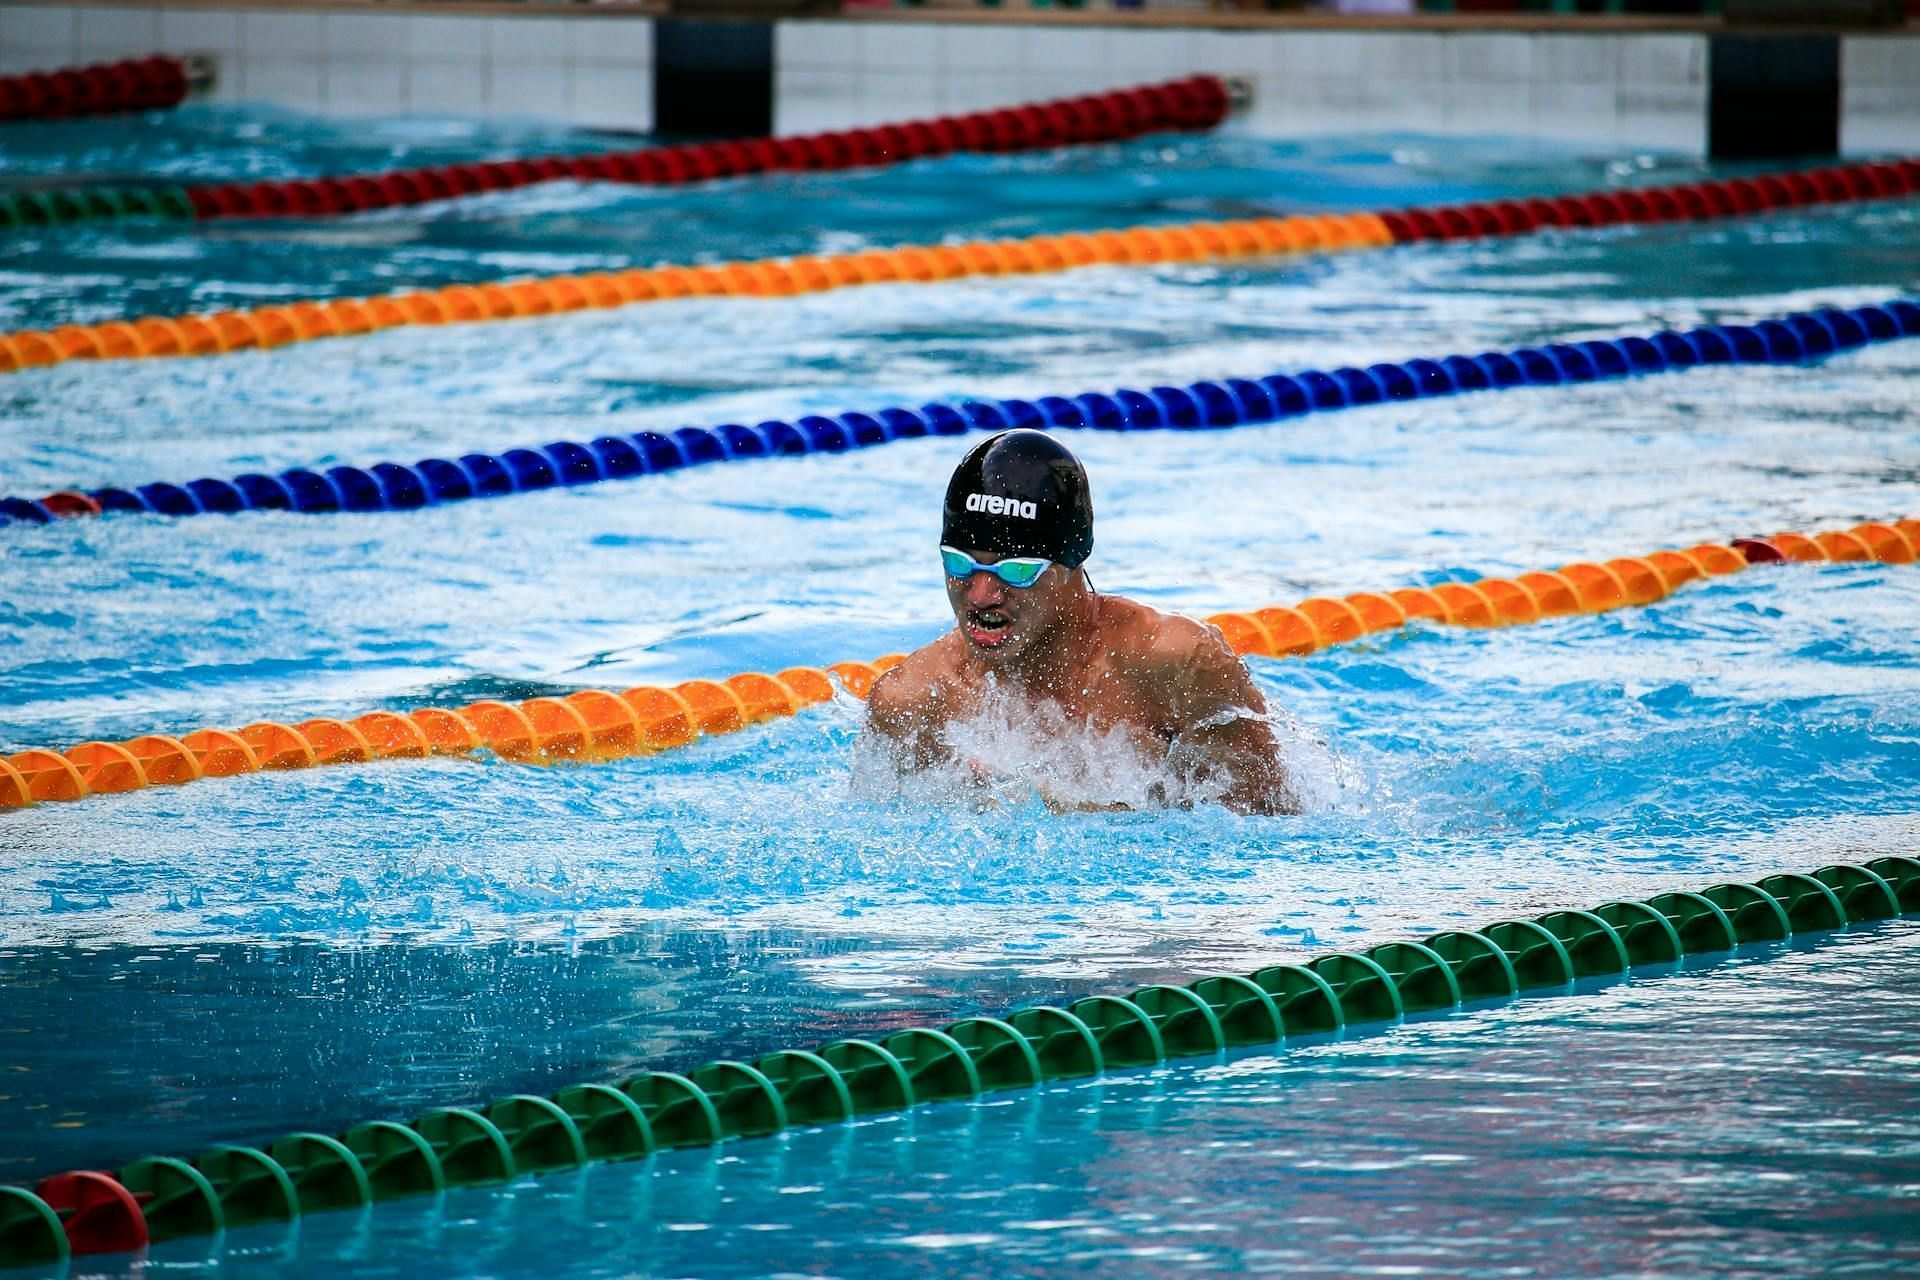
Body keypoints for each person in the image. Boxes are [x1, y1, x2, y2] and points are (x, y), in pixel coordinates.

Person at [863, 429, 1298, 815]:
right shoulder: (913, 702)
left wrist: (1111, 818)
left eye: (1016, 570)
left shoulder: (1173, 662)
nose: (981, 596)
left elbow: (1269, 822)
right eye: (959, 565)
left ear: (1071, 561)